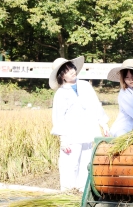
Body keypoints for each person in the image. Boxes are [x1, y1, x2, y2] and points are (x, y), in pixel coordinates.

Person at [49, 56, 109, 192]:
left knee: (86, 163)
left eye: (71, 68)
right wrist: (63, 139)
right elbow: (58, 117)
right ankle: (67, 192)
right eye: (66, 71)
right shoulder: (60, 93)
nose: (71, 71)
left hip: (88, 130)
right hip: (71, 134)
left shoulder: (85, 86)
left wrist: (103, 123)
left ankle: (82, 191)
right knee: (70, 164)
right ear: (61, 76)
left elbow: (96, 105)